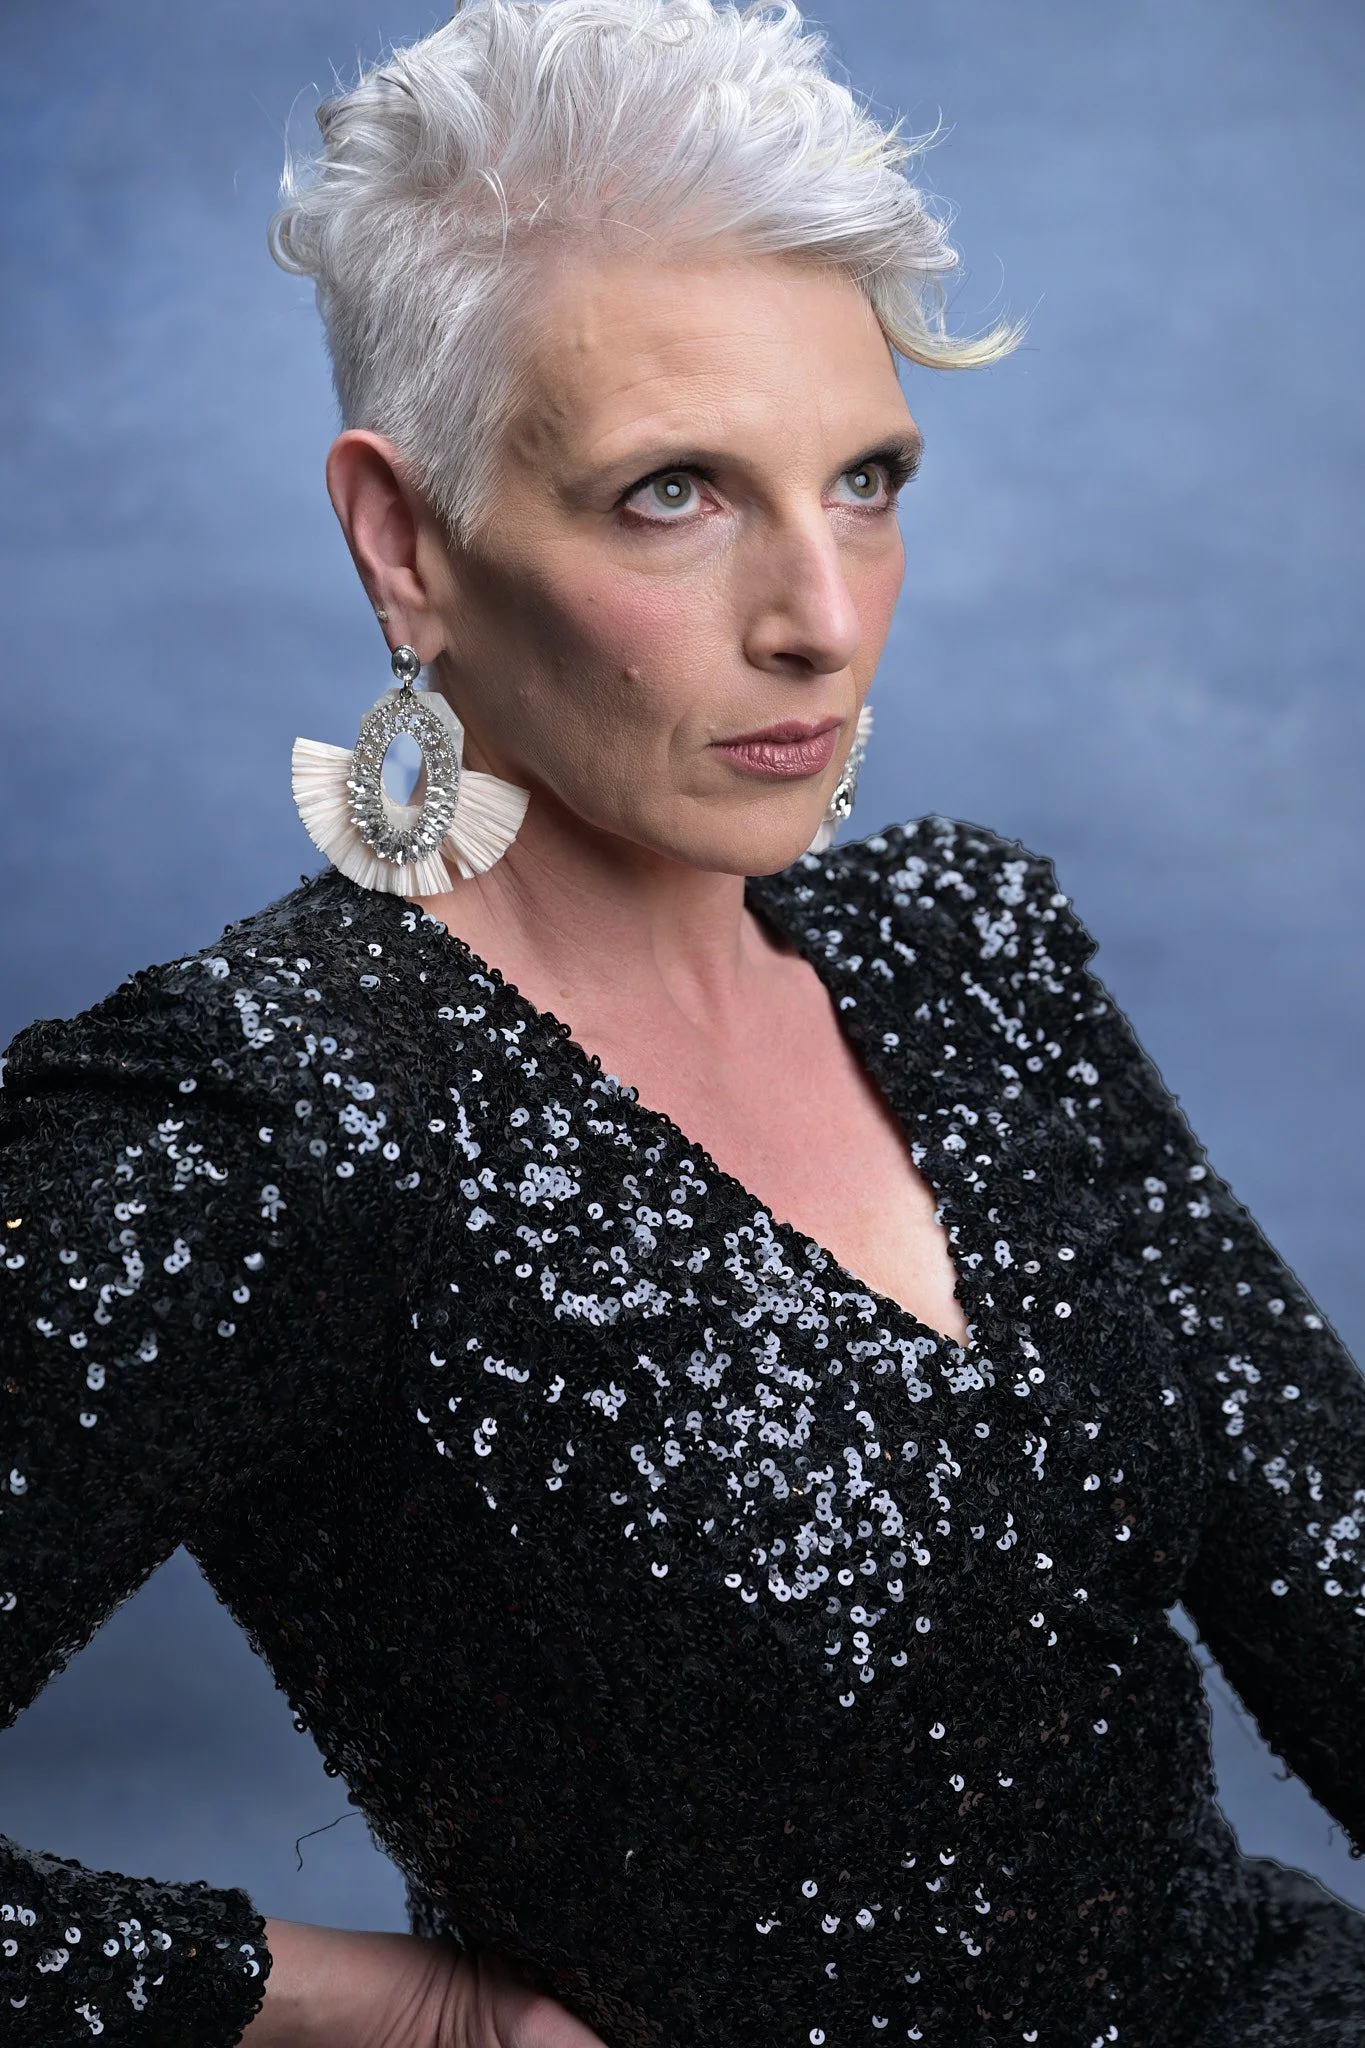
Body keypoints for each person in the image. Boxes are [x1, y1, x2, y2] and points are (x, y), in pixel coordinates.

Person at [2, 0, 1363, 2041]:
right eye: (674, 494)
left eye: (867, 476)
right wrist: (407, 2016)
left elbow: (1332, 1576)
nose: (821, 609)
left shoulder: (963, 945)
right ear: (405, 539)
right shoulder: (265, 1119)